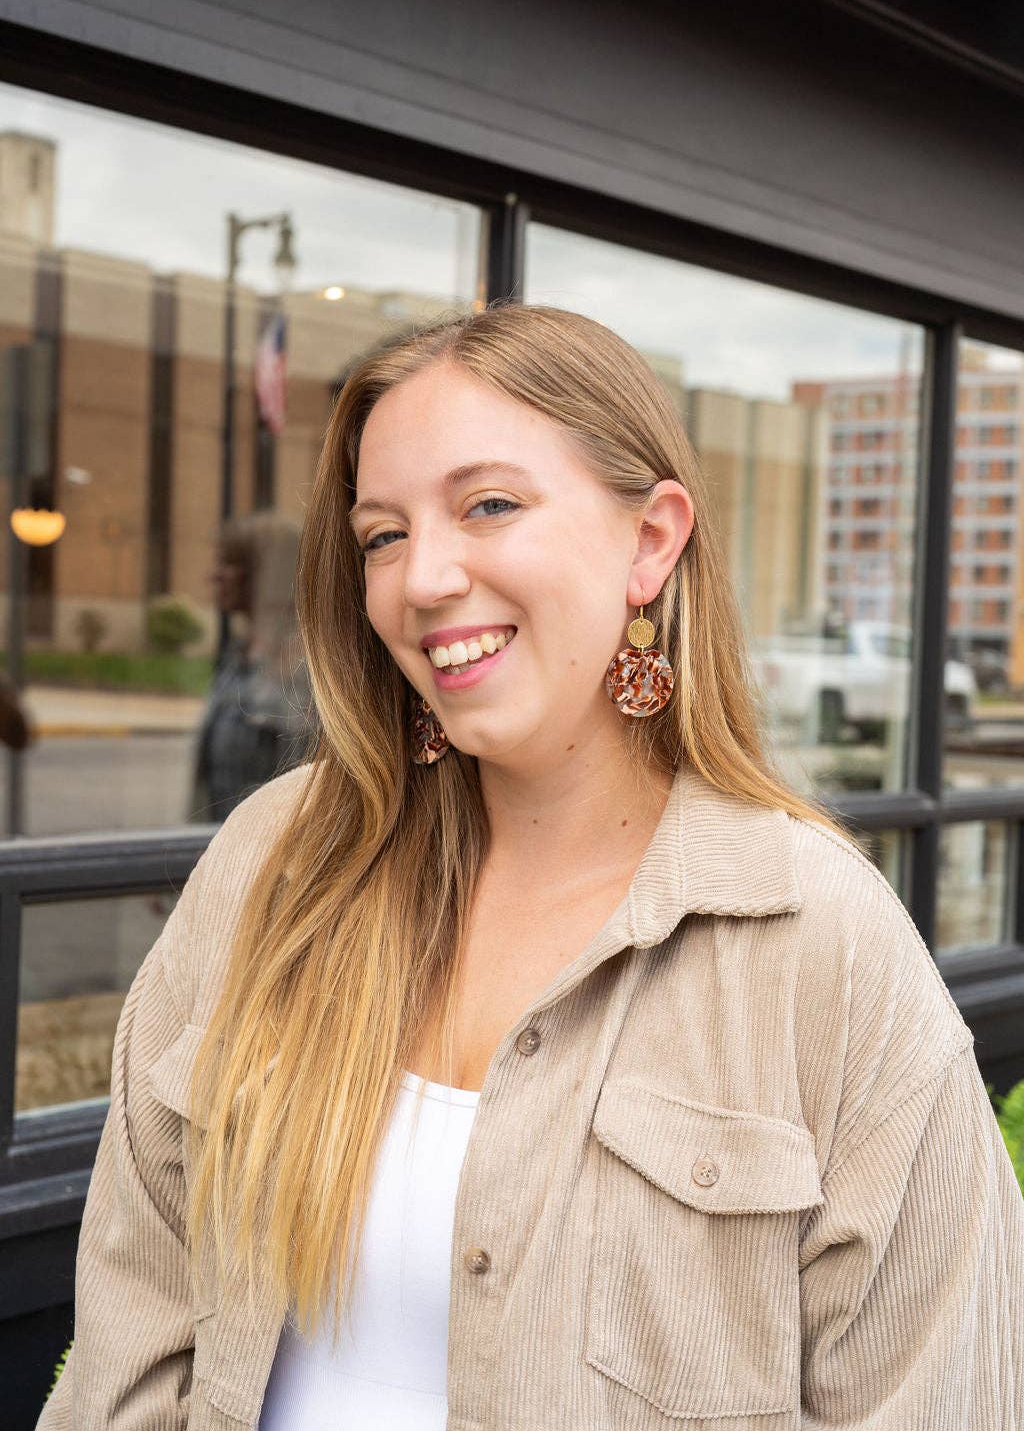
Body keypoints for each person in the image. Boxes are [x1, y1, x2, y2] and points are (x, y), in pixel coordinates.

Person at [38, 304, 1023, 1430]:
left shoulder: (818, 944)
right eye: (382, 535)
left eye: (488, 505)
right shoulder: (273, 869)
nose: (422, 579)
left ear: (650, 541)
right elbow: (133, 1324)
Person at [187, 511, 315, 822]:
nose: (214, 575)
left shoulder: (301, 670)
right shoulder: (237, 657)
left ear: (267, 573)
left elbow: (300, 790)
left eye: (228, 563)